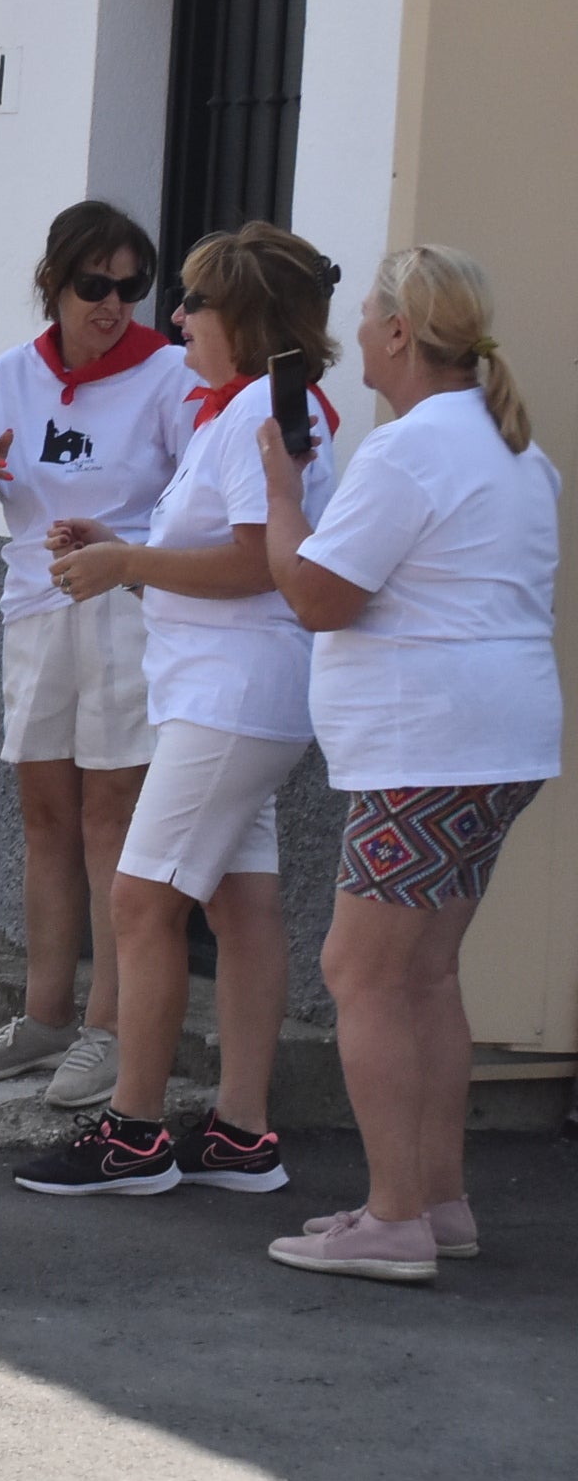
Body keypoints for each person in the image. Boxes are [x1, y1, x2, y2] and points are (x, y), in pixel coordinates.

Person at [12, 223, 340, 1197]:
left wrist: (126, 563)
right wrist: (123, 545)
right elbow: (234, 545)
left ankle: (134, 1129)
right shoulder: (258, 408)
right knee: (240, 905)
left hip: (227, 698)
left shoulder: (249, 417)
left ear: (238, 317)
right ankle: (240, 1129)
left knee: (141, 898)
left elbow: (253, 561)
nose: (177, 317)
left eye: (194, 301)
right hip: (240, 693)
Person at [259, 248, 558, 1282]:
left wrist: (281, 493)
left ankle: (393, 1217)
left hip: (427, 744)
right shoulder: (512, 446)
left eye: (370, 313)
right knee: (423, 971)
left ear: (396, 333)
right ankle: (435, 1199)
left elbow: (316, 595)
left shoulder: (409, 450)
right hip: (494, 738)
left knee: (364, 970)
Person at [0, 203, 189, 1102]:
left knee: (109, 822)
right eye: (95, 285)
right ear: (55, 282)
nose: (113, 304)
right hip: (36, 610)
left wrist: (125, 549)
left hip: (127, 611)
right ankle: (44, 1016)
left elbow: (195, 509)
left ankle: (108, 1026)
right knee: (45, 815)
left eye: (130, 286)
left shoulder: (170, 374)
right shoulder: (13, 374)